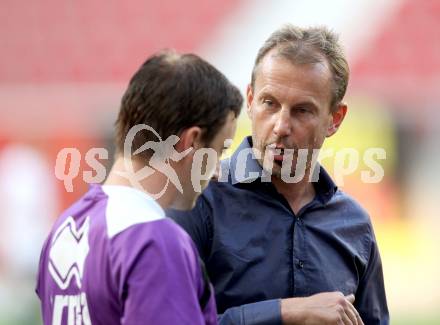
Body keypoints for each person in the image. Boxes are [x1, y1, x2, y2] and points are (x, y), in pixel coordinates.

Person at [168, 25, 389, 325]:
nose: (281, 125)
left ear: (334, 119)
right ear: (249, 99)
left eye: (302, 111)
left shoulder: (355, 225)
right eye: (269, 103)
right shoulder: (198, 200)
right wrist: (287, 312)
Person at [36, 51, 242, 325]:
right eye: (219, 149)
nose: (217, 171)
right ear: (191, 142)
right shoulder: (154, 240)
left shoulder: (64, 228)